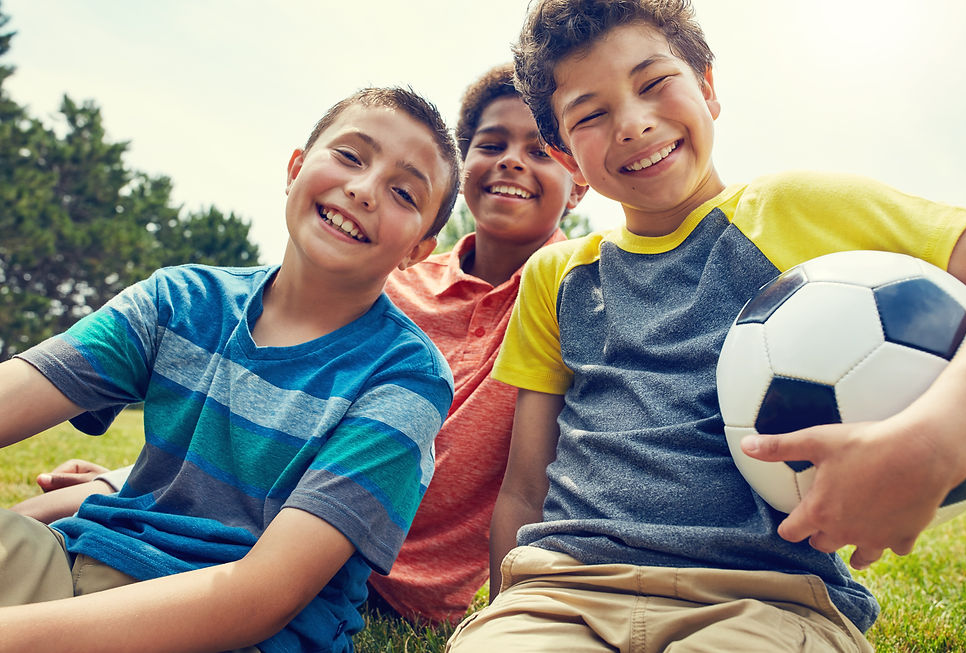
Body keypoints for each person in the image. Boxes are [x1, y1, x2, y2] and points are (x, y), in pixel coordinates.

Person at [445, 1, 966, 651]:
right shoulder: (556, 276)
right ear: (567, 155)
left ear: (707, 87)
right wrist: (511, 611)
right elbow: (526, 486)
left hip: (767, 600)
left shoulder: (796, 208)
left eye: (653, 82)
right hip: (561, 594)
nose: (633, 125)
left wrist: (938, 436)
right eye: (591, 114)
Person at [11, 63, 588, 626]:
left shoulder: (573, 305)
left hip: (336, 563)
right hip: (234, 508)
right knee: (58, 518)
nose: (512, 160)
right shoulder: (378, 278)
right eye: (492, 144)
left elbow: (533, 483)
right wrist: (127, 482)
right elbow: (261, 385)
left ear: (578, 180)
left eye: (540, 150)